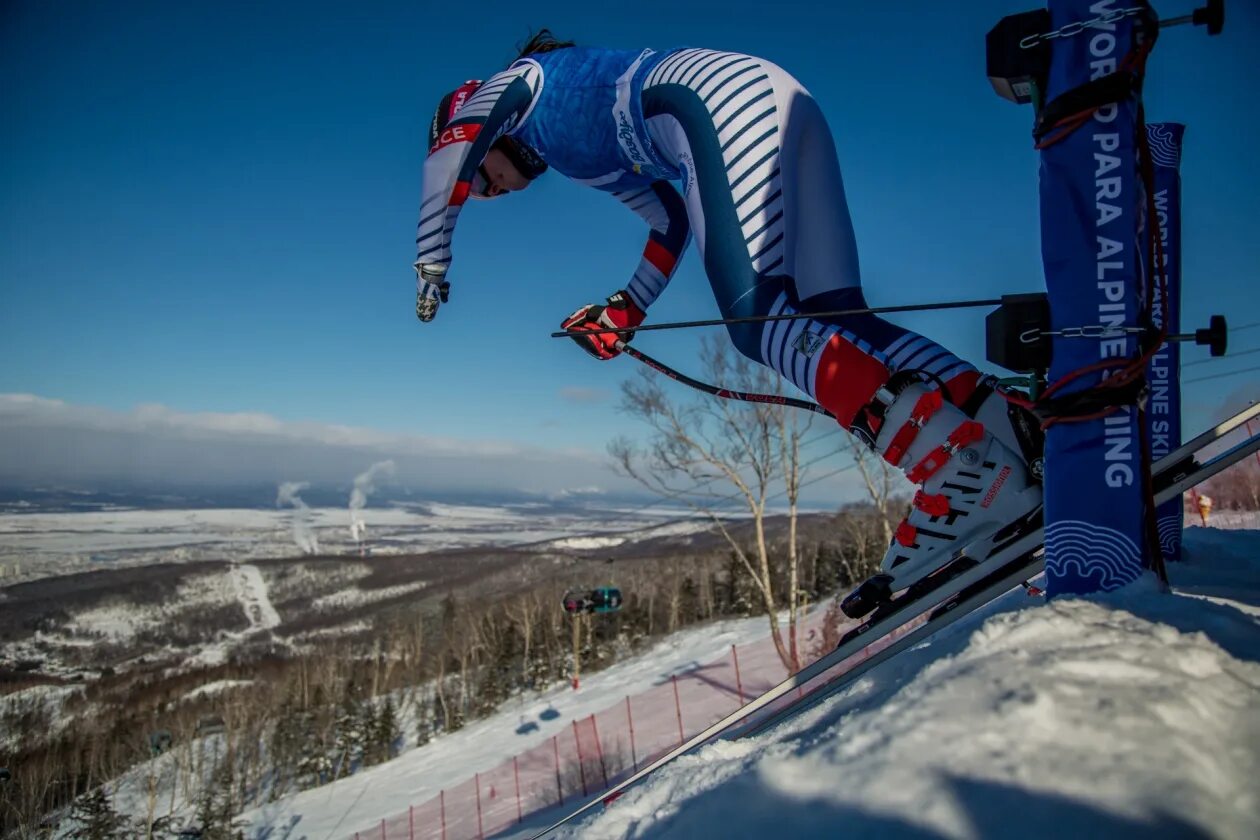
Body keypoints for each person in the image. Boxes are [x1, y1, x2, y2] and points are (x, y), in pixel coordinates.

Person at [414, 31, 1043, 613]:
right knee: (836, 314)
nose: (492, 193)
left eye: (485, 185)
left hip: (708, 102)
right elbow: (670, 222)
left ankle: (960, 471)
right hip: (772, 96)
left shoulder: (517, 85)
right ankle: (1005, 430)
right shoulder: (573, 146)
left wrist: (431, 258)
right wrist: (627, 308)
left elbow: (456, 145)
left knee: (756, 319)